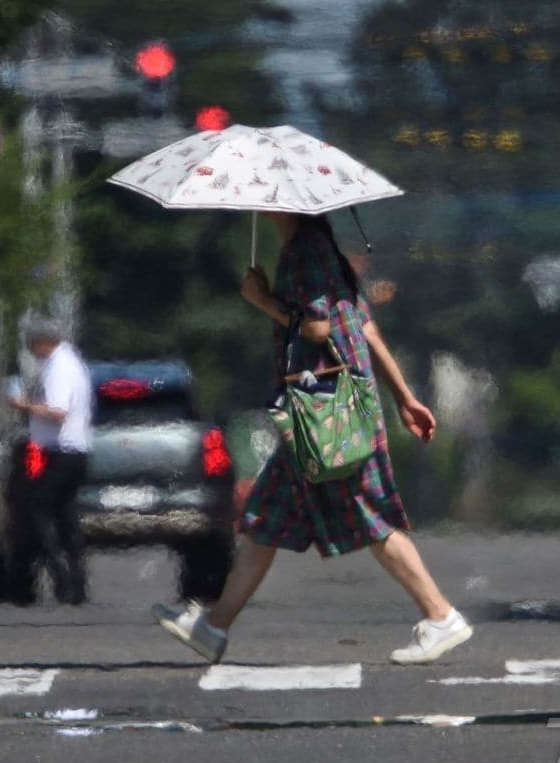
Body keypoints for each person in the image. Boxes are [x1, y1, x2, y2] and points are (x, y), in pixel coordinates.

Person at [153, 212, 472, 665]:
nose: (259, 209)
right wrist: (404, 396)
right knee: (265, 516)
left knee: (369, 514)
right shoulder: (323, 250)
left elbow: (317, 327)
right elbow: (365, 327)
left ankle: (441, 616)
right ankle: (213, 627)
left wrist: (261, 301)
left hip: (328, 413)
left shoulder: (305, 253)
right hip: (325, 409)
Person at [7, 315, 94, 605]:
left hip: (62, 452)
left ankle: (62, 575)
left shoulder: (59, 367)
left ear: (43, 342)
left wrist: (25, 405)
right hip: (74, 451)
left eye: (33, 345)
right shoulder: (71, 363)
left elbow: (57, 412)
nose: (33, 351)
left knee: (38, 508)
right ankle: (77, 583)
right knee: (67, 516)